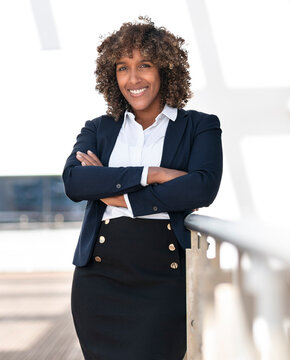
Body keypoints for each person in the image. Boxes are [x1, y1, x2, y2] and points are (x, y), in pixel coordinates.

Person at [63, 16, 222, 360]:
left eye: (144, 65)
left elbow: (202, 187)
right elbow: (75, 181)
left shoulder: (200, 127)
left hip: (165, 282)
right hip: (99, 280)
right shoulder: (99, 129)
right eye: (122, 67)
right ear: (112, 75)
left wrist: (115, 194)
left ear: (165, 69)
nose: (133, 79)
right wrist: (155, 173)